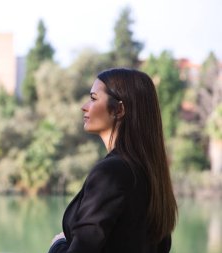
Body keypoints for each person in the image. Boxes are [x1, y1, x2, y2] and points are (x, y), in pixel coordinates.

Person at [48, 68, 178, 253]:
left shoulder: (111, 173)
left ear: (119, 109)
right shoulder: (150, 174)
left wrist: (58, 244)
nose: (84, 106)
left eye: (93, 98)